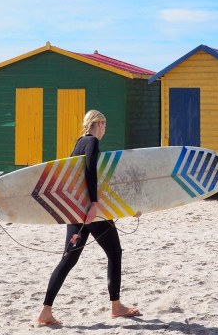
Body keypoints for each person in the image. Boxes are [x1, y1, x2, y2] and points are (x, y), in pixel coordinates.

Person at [37, 110, 141, 326]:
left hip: (75, 209)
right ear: (99, 123)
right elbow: (90, 172)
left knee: (69, 259)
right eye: (105, 125)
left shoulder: (79, 143)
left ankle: (46, 311)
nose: (104, 130)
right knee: (114, 252)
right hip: (89, 211)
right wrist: (94, 204)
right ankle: (116, 306)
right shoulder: (92, 142)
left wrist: (125, 208)